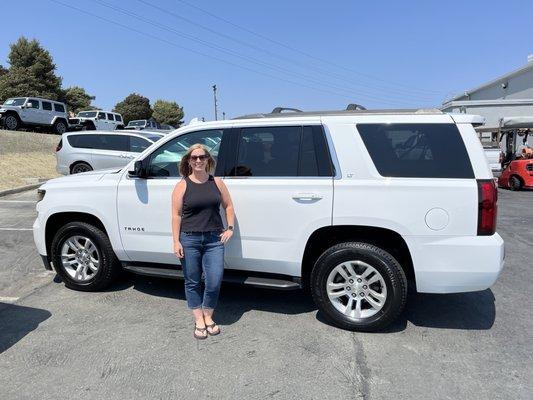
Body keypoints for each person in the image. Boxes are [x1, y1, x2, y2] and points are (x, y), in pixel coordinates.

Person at [171, 144, 235, 339]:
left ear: (208, 159)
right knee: (192, 281)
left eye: (202, 157)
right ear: (188, 161)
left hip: (214, 239)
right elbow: (176, 215)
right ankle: (199, 319)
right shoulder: (182, 185)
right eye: (194, 157)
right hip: (189, 239)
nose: (198, 160)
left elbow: (229, 206)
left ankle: (208, 314)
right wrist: (176, 241)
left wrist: (230, 228)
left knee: (214, 280)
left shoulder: (216, 182)